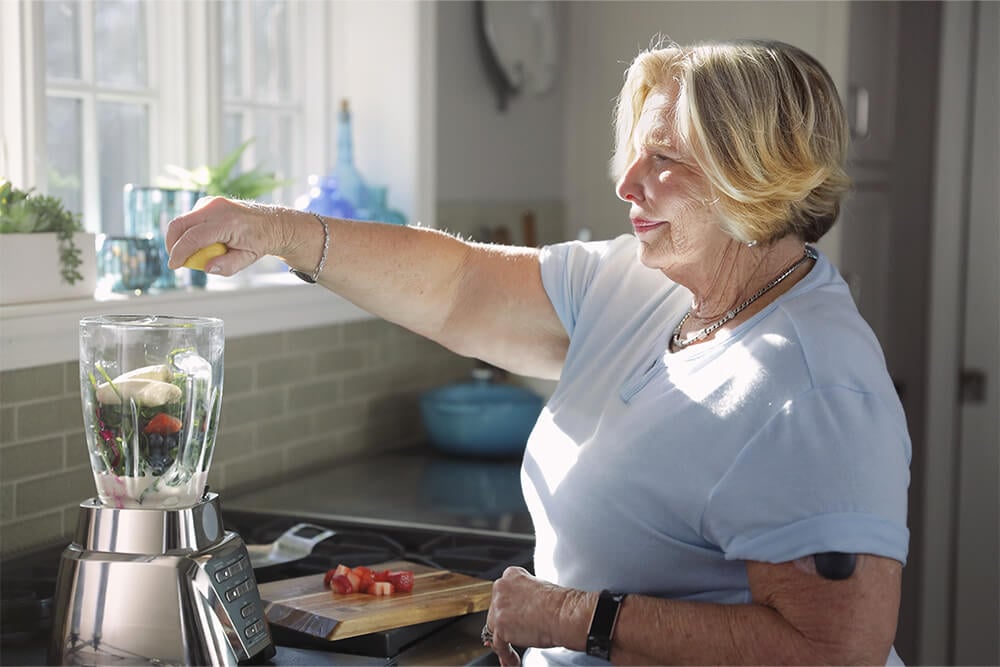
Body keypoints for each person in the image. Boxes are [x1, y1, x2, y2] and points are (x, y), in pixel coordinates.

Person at [167, 38, 910, 666]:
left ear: (754, 174)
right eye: (634, 154)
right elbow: (458, 286)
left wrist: (572, 616)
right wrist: (278, 232)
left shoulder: (816, 388)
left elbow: (832, 650)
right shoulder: (639, 280)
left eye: (664, 160)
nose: (627, 183)